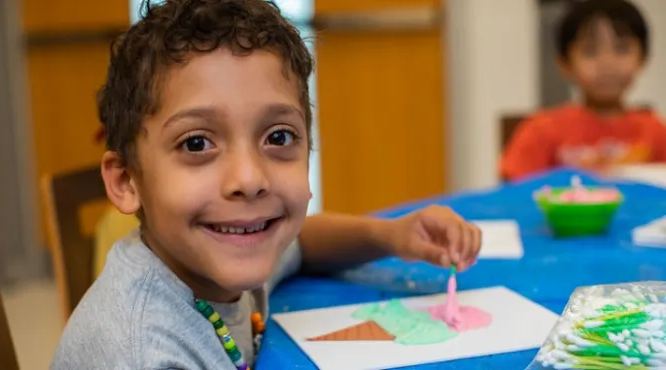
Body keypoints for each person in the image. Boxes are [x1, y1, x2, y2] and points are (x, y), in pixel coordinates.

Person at [50, 1, 481, 369]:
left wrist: (390, 235)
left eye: (278, 137)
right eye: (197, 143)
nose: (249, 179)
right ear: (127, 181)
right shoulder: (144, 351)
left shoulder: (225, 244)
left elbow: (302, 244)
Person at [499, 0, 666, 181]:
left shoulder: (655, 131)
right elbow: (516, 191)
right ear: (564, 63)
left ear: (643, 58)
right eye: (590, 51)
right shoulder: (541, 131)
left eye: (622, 48)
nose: (607, 63)